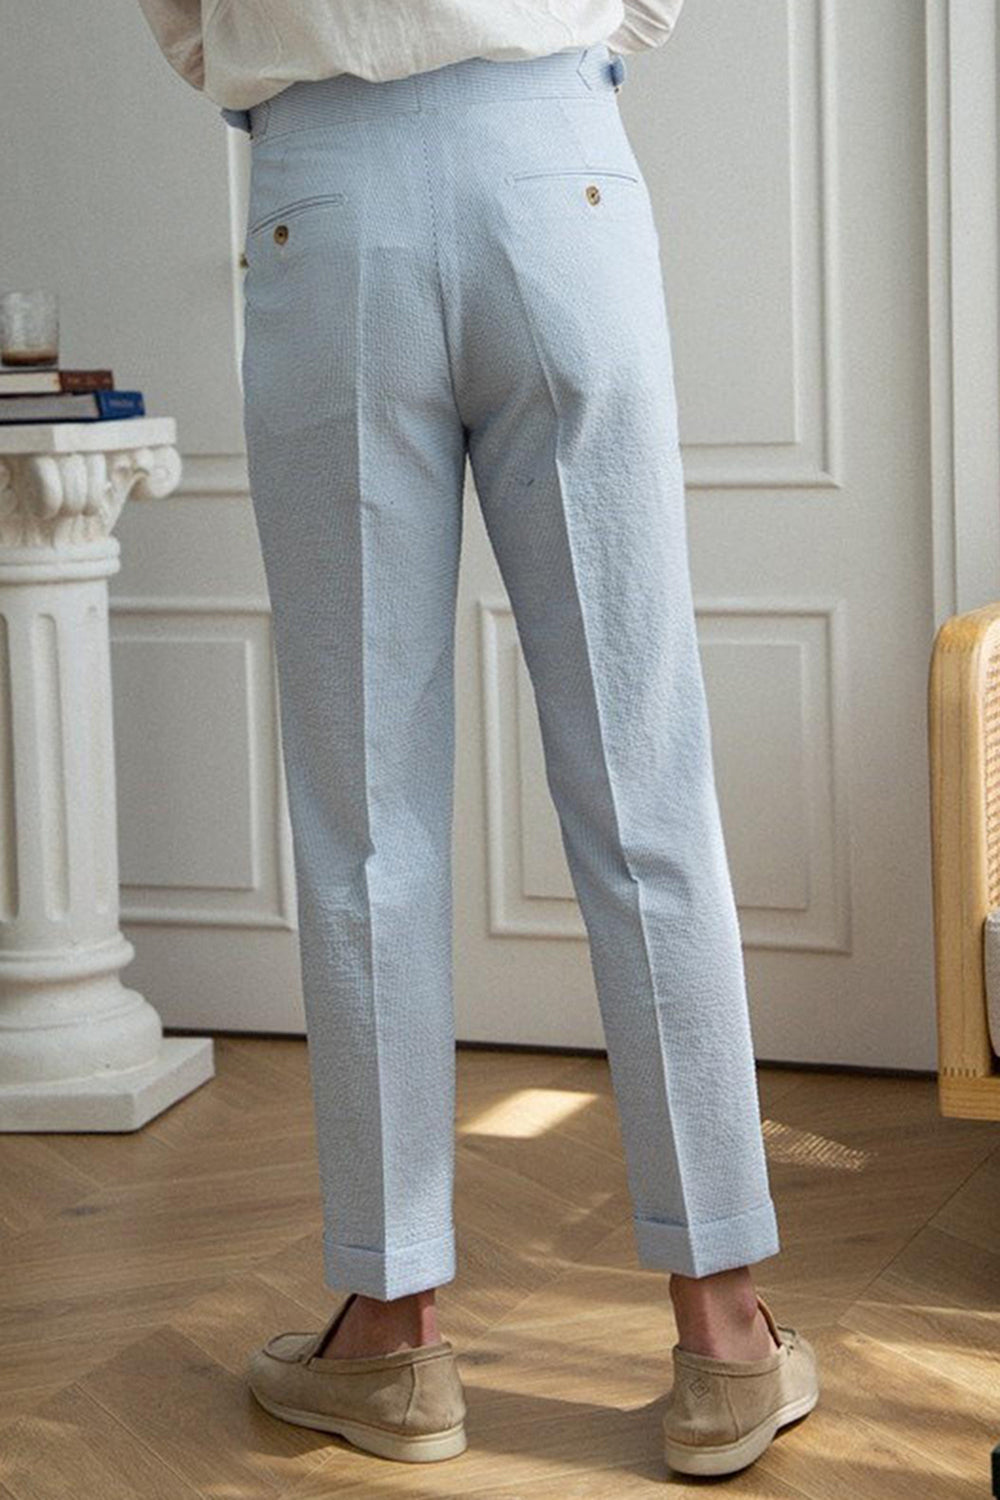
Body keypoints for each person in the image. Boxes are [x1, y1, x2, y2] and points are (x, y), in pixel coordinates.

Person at [136, 0, 820, 1477]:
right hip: (555, 164)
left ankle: (392, 1337)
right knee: (644, 779)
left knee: (365, 807)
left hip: (327, 195)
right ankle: (724, 1338)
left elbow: (187, 21)